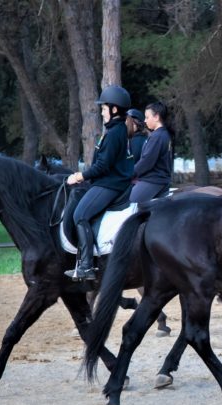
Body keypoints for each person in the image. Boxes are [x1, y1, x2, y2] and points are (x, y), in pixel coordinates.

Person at [64, 85, 133, 281]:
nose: (101, 111)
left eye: (104, 108)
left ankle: (86, 265)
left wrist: (80, 176)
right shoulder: (114, 130)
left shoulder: (114, 133)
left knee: (80, 215)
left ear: (114, 109)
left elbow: (103, 166)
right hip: (108, 182)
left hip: (111, 184)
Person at [129, 101, 174, 203]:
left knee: (129, 203)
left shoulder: (157, 136)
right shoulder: (163, 134)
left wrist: (128, 174)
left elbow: (146, 162)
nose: (145, 121)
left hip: (153, 181)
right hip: (158, 180)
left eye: (147, 117)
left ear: (156, 117)